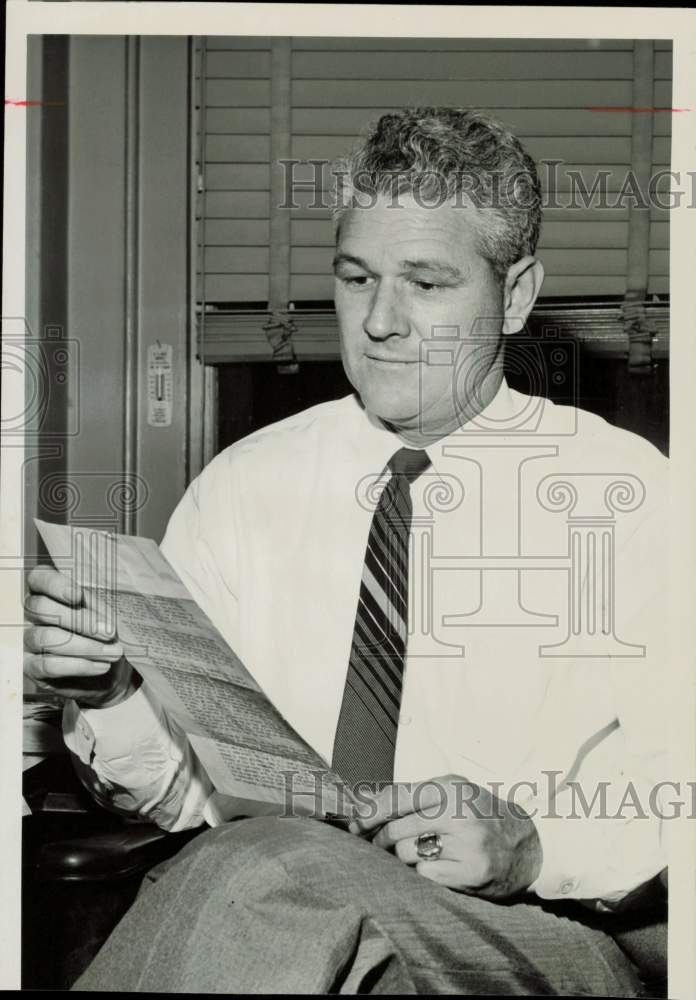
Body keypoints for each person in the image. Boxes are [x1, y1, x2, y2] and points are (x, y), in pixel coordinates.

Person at [24, 108, 669, 995]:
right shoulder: (246, 486)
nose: (380, 321)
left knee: (260, 879)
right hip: (273, 903)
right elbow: (178, 798)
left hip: (540, 932)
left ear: (516, 295)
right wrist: (112, 695)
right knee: (259, 877)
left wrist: (536, 842)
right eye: (357, 277)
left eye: (428, 284)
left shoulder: (630, 494)